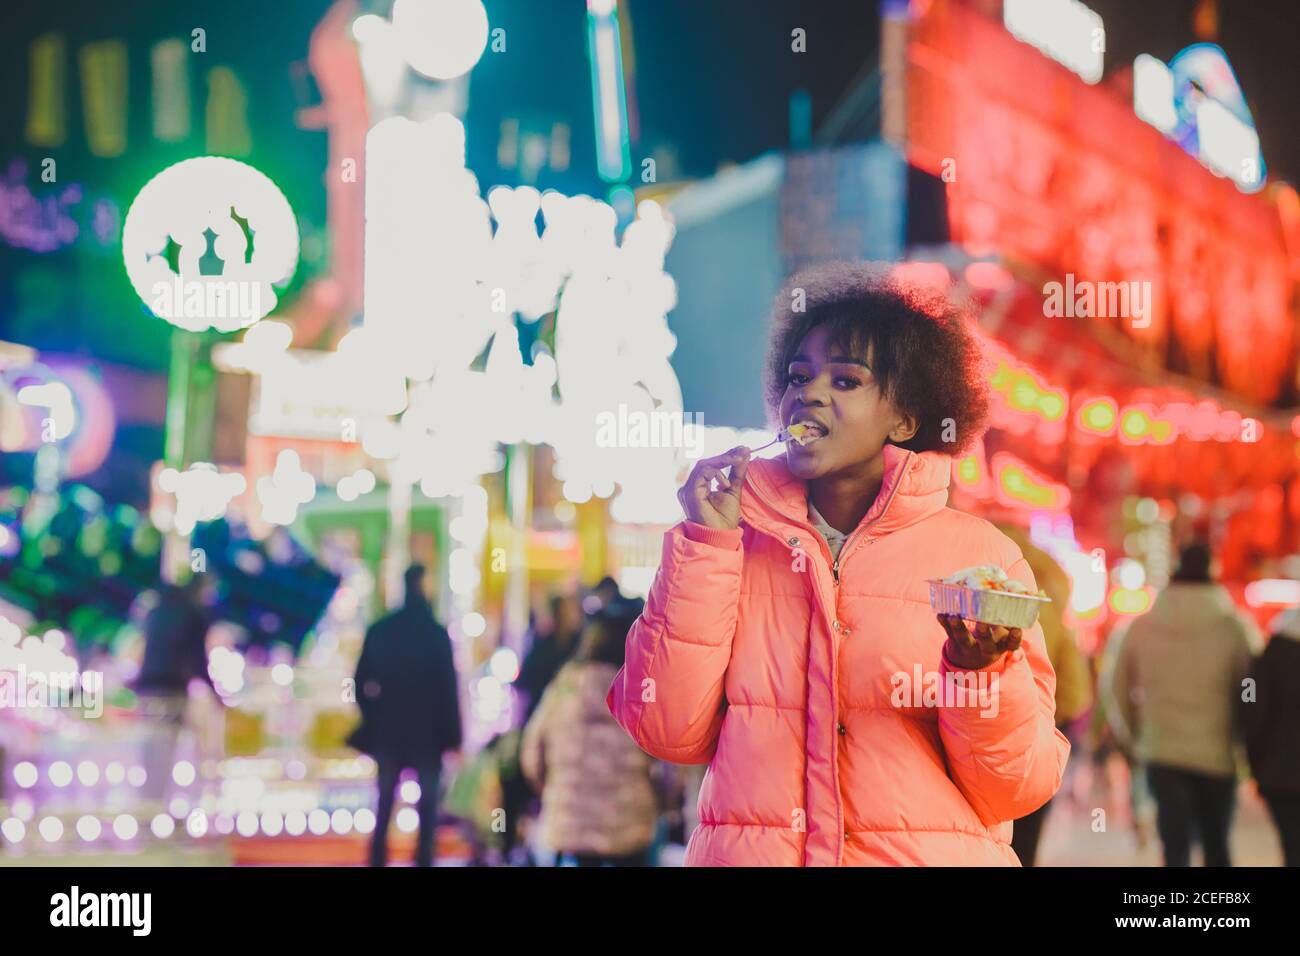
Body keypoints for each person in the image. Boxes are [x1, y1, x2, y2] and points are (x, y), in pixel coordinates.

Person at [607, 264, 1070, 866]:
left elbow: (1016, 785)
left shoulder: (980, 558)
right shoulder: (725, 543)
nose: (811, 393)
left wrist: (977, 671)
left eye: (846, 380)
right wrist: (704, 545)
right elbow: (665, 730)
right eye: (799, 377)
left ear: (906, 419)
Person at [1103, 541, 1260, 866]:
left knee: (1174, 849)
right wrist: (1244, 733)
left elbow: (1116, 686)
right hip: (1218, 753)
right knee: (1217, 845)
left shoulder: (1142, 626)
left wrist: (1135, 734)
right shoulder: (1234, 628)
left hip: (1163, 750)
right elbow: (1251, 686)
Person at [522, 597, 660, 866]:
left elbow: (531, 755)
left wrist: (554, 788)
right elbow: (666, 767)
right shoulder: (643, 692)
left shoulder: (563, 687)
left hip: (570, 825)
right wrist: (659, 801)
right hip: (630, 827)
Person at [350, 564, 462, 867]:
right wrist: (453, 735)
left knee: (384, 802)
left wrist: (373, 716)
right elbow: (447, 689)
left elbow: (359, 682)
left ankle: (377, 860)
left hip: (389, 732)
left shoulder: (382, 630)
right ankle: (423, 860)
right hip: (428, 736)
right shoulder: (436, 635)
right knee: (427, 809)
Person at [996, 523, 1093, 866]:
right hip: (1036, 733)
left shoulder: (977, 596)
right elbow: (1074, 688)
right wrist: (1055, 719)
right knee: (1027, 833)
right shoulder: (1049, 606)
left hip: (984, 728)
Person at [134, 578, 217, 803]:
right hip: (172, 688)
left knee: (153, 748)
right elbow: (198, 660)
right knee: (176, 747)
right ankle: (180, 803)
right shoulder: (194, 614)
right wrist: (216, 694)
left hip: (148, 687)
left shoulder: (157, 611)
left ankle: (151, 802)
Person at [1242, 606, 1300, 866]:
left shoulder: (1267, 660)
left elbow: (1252, 710)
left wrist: (1254, 765)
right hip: (1279, 772)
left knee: (1291, 844)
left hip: (1279, 774)